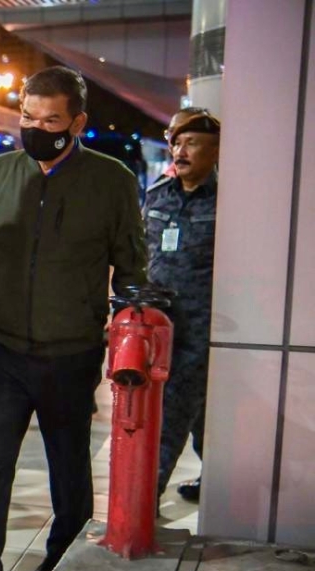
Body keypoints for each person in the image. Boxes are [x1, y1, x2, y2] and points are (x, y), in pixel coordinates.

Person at [0, 66, 147, 571]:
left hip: (72, 352)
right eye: (27, 117)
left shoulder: (111, 182)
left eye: (50, 120)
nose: (36, 128)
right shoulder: (0, 173)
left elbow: (131, 266)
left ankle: (61, 563)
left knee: (69, 467)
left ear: (78, 122)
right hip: (6, 351)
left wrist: (127, 332)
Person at [147, 110, 221, 504]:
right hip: (157, 325)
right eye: (177, 143)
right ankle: (216, 480)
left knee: (174, 413)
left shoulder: (229, 203)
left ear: (216, 151)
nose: (180, 150)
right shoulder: (157, 195)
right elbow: (142, 255)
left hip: (201, 328)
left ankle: (145, 496)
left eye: (192, 143)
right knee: (204, 416)